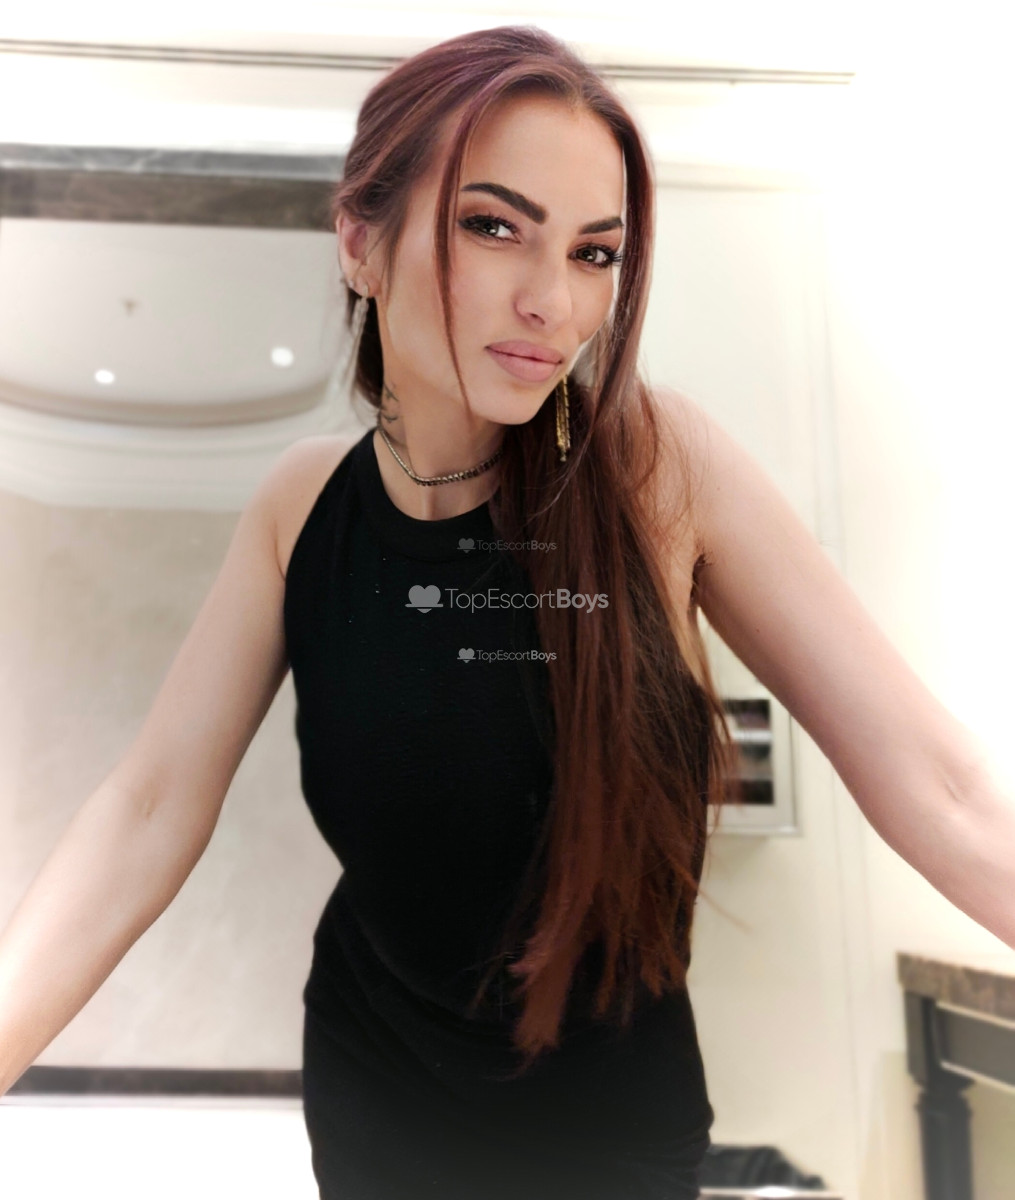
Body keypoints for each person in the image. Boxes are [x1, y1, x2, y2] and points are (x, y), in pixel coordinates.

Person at [2, 21, 1015, 1200]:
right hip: (375, 1097)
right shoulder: (301, 506)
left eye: (594, 252)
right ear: (359, 242)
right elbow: (146, 809)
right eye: (493, 227)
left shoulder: (654, 468)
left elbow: (937, 785)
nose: (553, 302)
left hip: (609, 1133)